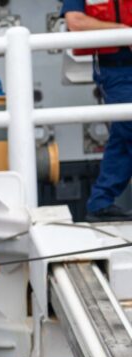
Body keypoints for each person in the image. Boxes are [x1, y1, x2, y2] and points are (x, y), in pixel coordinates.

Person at [63, 1, 132, 221]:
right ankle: (100, 202)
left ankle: (100, 203)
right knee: (128, 127)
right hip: (116, 70)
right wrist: (122, 32)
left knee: (124, 133)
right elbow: (75, 21)